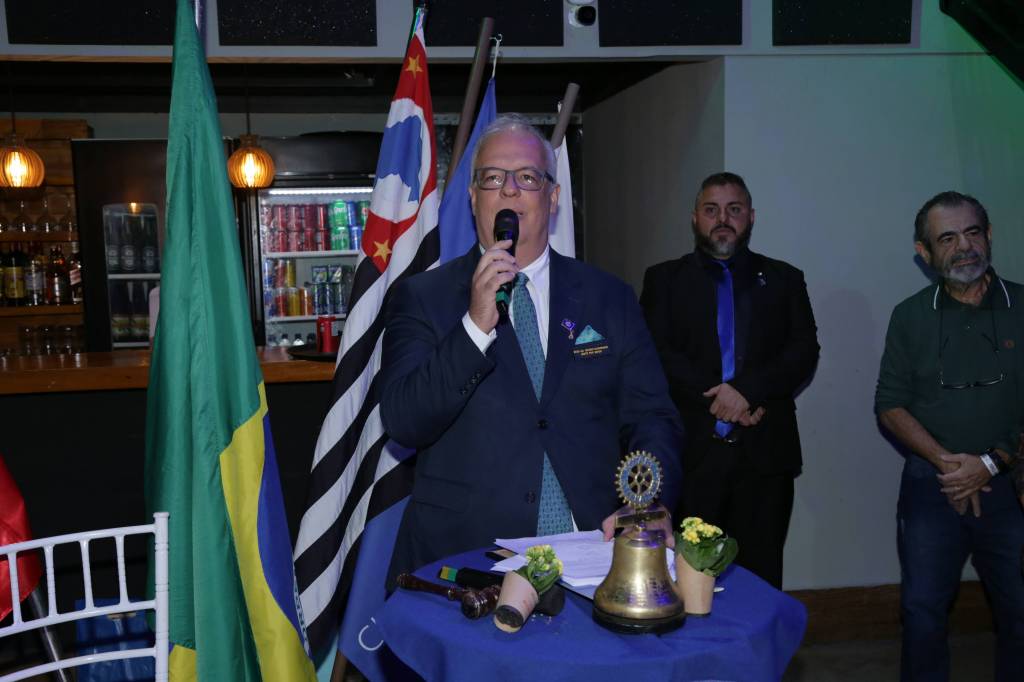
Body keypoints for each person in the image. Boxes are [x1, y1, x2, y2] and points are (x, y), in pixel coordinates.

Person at [380, 116, 683, 584]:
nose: (509, 190)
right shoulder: (423, 297)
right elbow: (406, 420)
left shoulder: (609, 297)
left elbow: (653, 416)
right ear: (473, 197)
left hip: (594, 550)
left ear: (553, 197)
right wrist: (474, 325)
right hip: (468, 557)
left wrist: (646, 501)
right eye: (492, 178)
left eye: (526, 177)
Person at [639, 172, 819, 589]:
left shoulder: (785, 279)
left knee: (761, 583)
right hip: (691, 457)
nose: (723, 219)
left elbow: (803, 351)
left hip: (765, 459)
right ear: (695, 218)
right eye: (712, 210)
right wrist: (720, 400)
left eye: (734, 209)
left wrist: (747, 393)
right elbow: (655, 353)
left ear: (751, 217)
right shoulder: (664, 280)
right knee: (686, 582)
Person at [875, 190, 1024, 681]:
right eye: (947, 238)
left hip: (1014, 486)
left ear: (989, 236)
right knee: (921, 612)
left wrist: (991, 463)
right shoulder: (909, 316)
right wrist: (950, 466)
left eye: (973, 232)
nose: (964, 247)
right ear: (924, 253)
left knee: (1020, 610)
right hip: (933, 485)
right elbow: (890, 404)